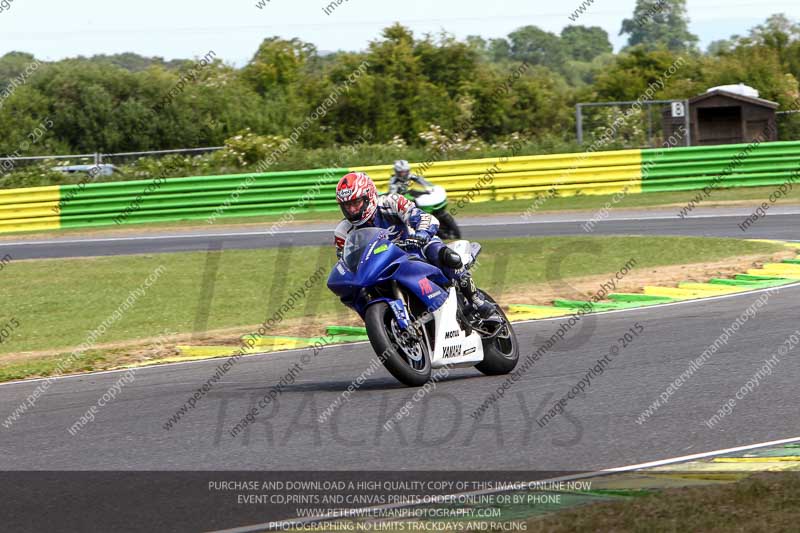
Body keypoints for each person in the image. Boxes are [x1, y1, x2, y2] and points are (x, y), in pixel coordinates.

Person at [334, 171, 497, 321]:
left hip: (414, 249)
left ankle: (476, 300)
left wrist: (421, 235)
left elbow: (425, 218)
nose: (352, 210)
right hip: (380, 267)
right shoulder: (343, 232)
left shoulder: (391, 202)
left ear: (369, 196)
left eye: (356, 202)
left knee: (443, 254)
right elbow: (346, 262)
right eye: (347, 205)